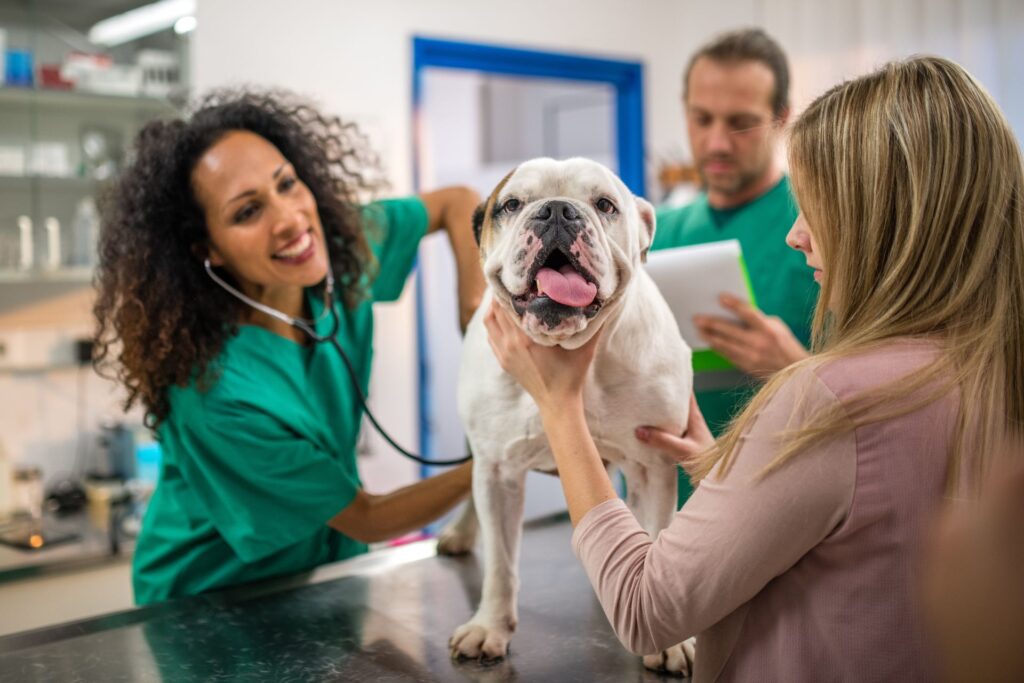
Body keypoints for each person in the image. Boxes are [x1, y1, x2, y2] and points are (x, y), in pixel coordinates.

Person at [484, 56, 1023, 682]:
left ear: (892, 223)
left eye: (820, 207)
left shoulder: (829, 396)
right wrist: (724, 464)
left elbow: (646, 611)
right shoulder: (986, 370)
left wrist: (559, 406)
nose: (796, 236)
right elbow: (856, 525)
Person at [93, 90, 485, 605]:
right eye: (248, 211)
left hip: (324, 571)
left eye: (287, 184)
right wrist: (503, 457)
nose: (291, 219)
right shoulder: (213, 390)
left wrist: (474, 303)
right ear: (206, 248)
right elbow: (367, 517)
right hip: (211, 600)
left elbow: (458, 202)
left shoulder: (339, 249)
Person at [648, 28, 816, 506]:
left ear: (781, 118)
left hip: (780, 514)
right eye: (702, 119)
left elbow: (885, 403)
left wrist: (795, 371)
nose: (717, 142)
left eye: (740, 123)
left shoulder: (824, 231)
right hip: (654, 514)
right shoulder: (650, 232)